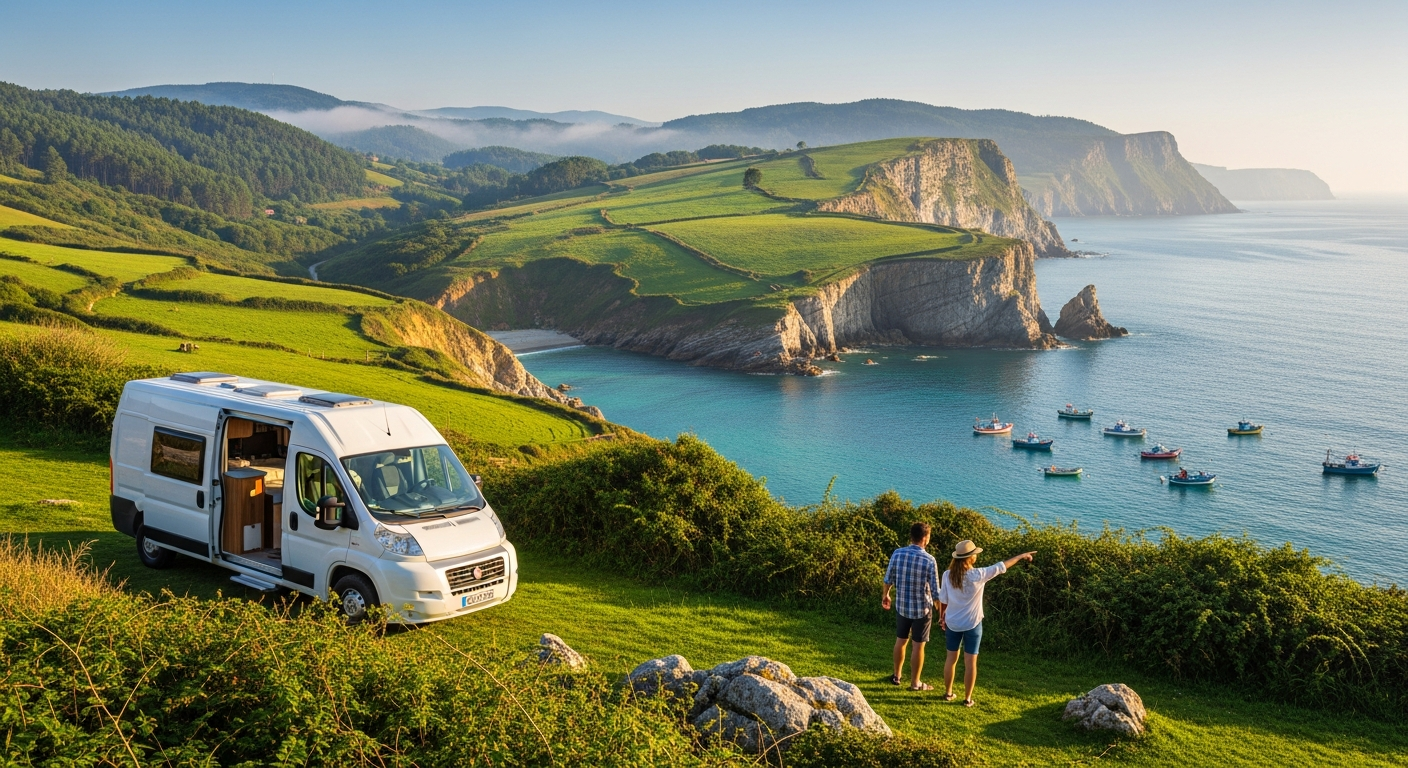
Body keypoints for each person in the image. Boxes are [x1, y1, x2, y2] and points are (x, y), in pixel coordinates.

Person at [937, 540, 1036, 707]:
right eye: (975, 553)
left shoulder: (948, 575)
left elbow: (943, 600)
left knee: (951, 659)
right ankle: (967, 699)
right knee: (971, 662)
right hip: (973, 624)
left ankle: (948, 693)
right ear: (971, 558)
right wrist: (1020, 556)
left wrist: (941, 617)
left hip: (952, 622)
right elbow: (1002, 566)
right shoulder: (979, 575)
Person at [881, 522, 941, 691]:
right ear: (926, 538)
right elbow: (936, 592)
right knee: (918, 645)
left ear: (911, 536)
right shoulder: (929, 560)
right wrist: (942, 612)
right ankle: (915, 683)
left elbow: (888, 579)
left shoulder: (897, 553)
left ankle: (897, 675)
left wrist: (886, 595)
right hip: (922, 609)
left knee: (900, 641)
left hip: (901, 606)